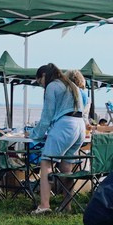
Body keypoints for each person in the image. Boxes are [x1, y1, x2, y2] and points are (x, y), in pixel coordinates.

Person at [28, 62, 88, 215]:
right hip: (79, 127)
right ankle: (66, 205)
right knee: (66, 165)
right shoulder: (71, 85)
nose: (41, 85)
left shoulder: (52, 86)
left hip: (65, 126)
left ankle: (44, 205)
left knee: (46, 162)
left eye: (39, 82)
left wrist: (35, 134)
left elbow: (47, 116)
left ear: (43, 76)